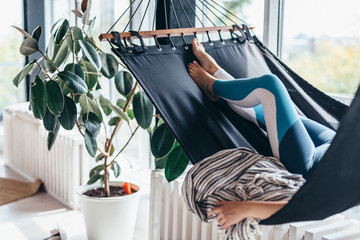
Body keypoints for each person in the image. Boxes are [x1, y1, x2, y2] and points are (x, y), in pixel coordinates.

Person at [187, 38, 335, 230]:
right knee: (275, 109)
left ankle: (212, 86)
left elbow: (315, 205)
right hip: (332, 145)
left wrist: (245, 208)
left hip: (307, 165)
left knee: (270, 87)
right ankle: (216, 73)